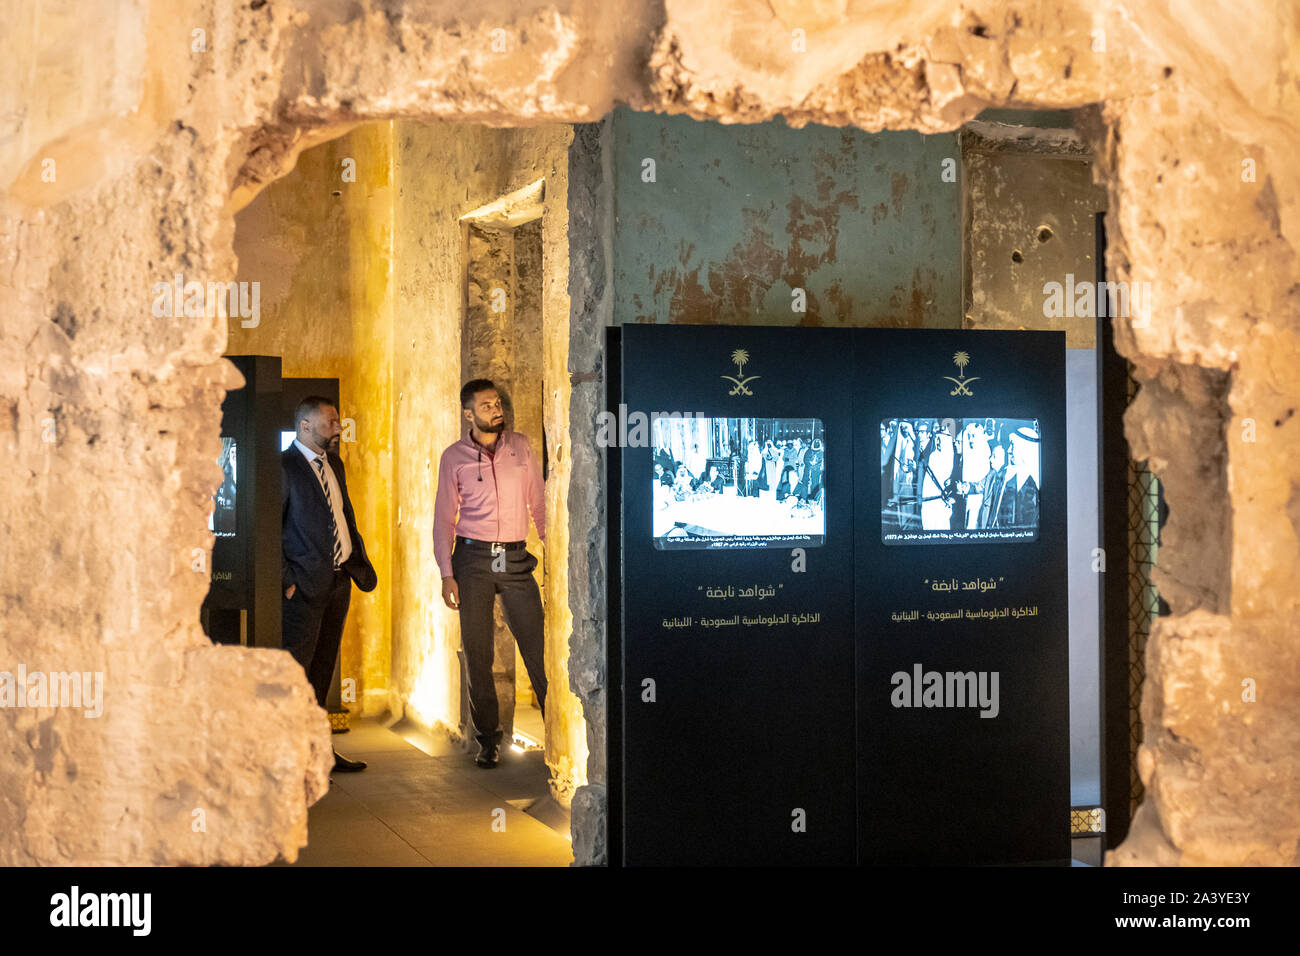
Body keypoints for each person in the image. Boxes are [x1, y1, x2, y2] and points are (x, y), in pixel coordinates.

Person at [434, 379, 548, 769]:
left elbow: (540, 504)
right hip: (473, 559)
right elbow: (444, 519)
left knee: (537, 646)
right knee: (478, 653)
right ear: (469, 413)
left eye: (497, 403)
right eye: (486, 405)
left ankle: (557, 728)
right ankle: (488, 740)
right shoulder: (455, 457)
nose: (496, 410)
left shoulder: (522, 448)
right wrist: (447, 573)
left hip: (515, 559)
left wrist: (552, 551)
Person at [281, 396, 378, 773]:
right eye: (330, 422)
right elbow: (270, 529)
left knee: (323, 671)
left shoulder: (334, 463)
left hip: (339, 582)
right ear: (305, 426)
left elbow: (343, 518)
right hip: (303, 587)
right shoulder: (284, 467)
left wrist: (355, 562)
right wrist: (287, 582)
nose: (339, 428)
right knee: (296, 673)